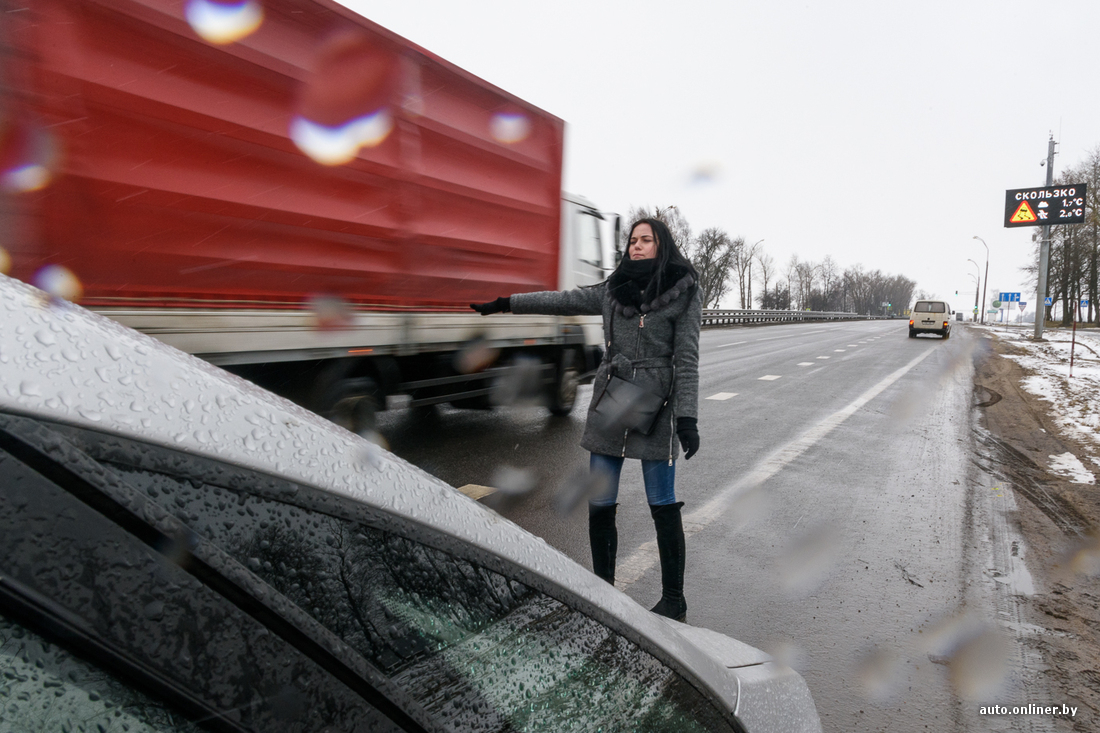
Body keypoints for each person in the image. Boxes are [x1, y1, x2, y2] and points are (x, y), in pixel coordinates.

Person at [471, 218, 701, 621]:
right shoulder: (614, 289)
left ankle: (675, 600)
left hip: (659, 405)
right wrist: (507, 303)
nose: (637, 246)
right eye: (632, 240)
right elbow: (562, 300)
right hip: (612, 401)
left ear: (662, 246)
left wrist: (688, 419)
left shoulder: (683, 291)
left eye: (646, 240)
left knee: (662, 503)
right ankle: (604, 592)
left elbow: (687, 359)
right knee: (600, 502)